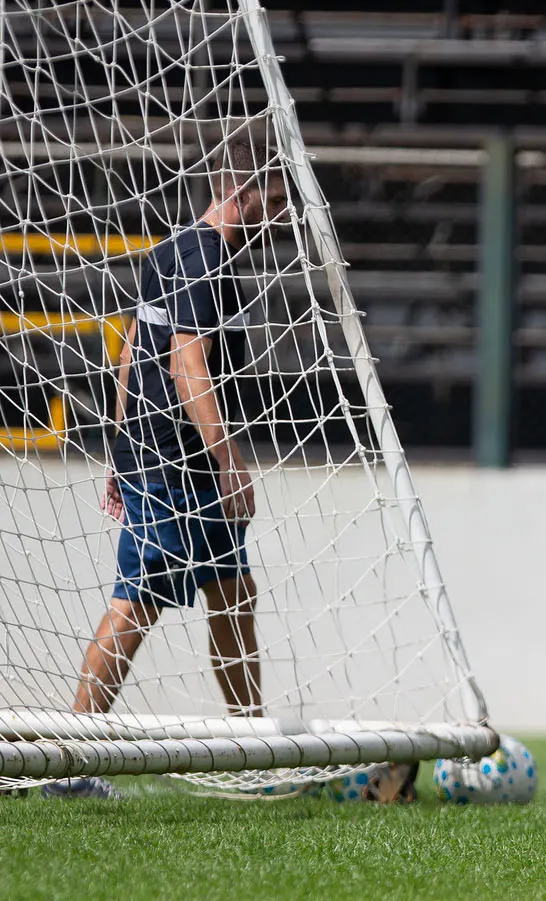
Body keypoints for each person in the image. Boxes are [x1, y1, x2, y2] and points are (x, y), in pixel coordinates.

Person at [49, 129, 288, 799]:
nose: (278, 220)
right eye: (272, 204)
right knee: (137, 601)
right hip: (179, 462)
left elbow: (130, 351)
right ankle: (71, 762)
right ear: (240, 194)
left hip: (152, 453)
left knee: (232, 593)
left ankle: (251, 753)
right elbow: (187, 364)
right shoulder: (206, 258)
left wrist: (117, 450)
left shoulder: (170, 248)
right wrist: (230, 461)